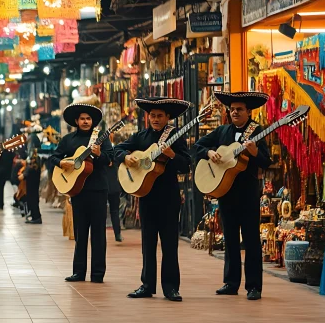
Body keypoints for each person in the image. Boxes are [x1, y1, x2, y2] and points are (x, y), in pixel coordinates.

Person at [195, 92, 272, 301]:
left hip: (248, 193)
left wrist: (255, 152)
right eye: (232, 109)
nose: (235, 112)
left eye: (239, 109)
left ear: (249, 112)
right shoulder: (222, 131)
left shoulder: (256, 131)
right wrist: (209, 153)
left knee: (251, 240)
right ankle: (230, 282)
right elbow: (197, 145)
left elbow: (266, 161)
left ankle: (254, 286)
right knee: (230, 238)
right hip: (226, 192)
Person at [114, 98, 192, 302]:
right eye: (153, 115)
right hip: (146, 196)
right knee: (148, 243)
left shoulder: (176, 136)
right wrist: (125, 157)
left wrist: (172, 154)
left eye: (160, 116)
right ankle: (147, 285)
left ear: (168, 118)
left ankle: (171, 287)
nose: (156, 119)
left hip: (169, 197)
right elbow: (117, 149)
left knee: (169, 244)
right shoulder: (141, 136)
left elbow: (186, 165)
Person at [49, 104, 114, 283]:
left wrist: (99, 154)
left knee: (99, 233)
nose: (85, 122)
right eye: (82, 119)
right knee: (80, 232)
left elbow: (110, 159)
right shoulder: (68, 140)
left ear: (92, 121)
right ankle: (78, 271)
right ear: (76, 121)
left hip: (98, 189)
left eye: (88, 119)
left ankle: (98, 273)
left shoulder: (101, 138)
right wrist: (62, 163)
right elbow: (53, 157)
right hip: (77, 191)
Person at [106, 132, 124, 243]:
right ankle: (117, 234)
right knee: (114, 211)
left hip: (103, 187)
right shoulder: (115, 156)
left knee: (101, 211)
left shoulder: (101, 156)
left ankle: (98, 233)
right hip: (114, 187)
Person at [22, 151, 43, 224]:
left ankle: (36, 217)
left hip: (32, 189)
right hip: (32, 188)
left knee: (33, 202)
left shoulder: (33, 168)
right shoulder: (34, 167)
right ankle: (35, 216)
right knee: (32, 202)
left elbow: (25, 174)